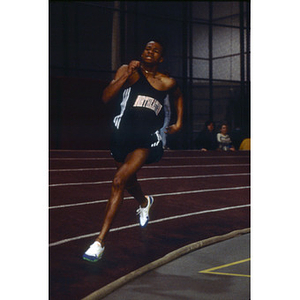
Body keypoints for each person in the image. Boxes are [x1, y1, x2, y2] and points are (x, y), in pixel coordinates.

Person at [83, 40, 184, 262]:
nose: (150, 51)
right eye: (147, 48)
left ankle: (99, 242)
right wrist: (126, 74)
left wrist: (178, 122)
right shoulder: (128, 71)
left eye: (155, 50)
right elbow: (106, 97)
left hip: (145, 141)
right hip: (120, 137)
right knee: (129, 182)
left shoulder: (166, 82)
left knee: (119, 181)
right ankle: (144, 202)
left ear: (161, 58)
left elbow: (178, 96)